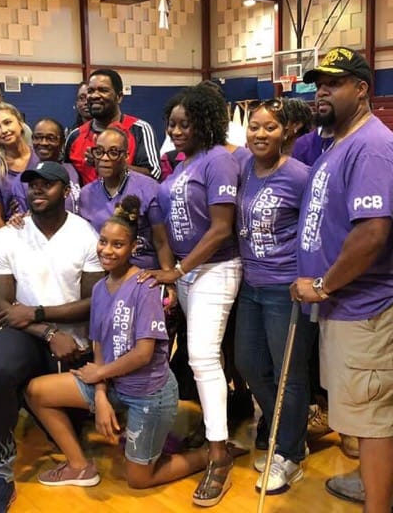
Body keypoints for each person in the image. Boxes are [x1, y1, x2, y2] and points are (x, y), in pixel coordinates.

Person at [289, 47, 393, 513]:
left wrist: (323, 285)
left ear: (362, 90)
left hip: (369, 308)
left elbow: (372, 232)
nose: (321, 92)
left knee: (374, 423)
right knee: (364, 419)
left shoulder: (372, 146)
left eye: (334, 84)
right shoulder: (339, 142)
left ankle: (379, 502)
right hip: (347, 307)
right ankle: (376, 487)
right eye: (319, 84)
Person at [26, 196, 209, 488]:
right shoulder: (100, 289)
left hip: (147, 393)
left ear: (133, 247)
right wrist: (100, 397)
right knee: (37, 392)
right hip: (112, 384)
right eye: (103, 242)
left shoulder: (145, 285)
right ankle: (79, 466)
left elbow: (143, 354)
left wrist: (99, 374)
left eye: (118, 244)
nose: (107, 250)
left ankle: (211, 456)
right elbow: (99, 347)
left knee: (139, 479)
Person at [0, 161, 104, 512]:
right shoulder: (8, 236)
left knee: (68, 429)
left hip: (73, 337)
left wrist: (37, 313)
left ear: (65, 191)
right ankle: (2, 473)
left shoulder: (85, 234)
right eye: (32, 183)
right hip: (27, 333)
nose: (37, 189)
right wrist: (46, 331)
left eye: (47, 184)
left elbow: (93, 302)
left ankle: (40, 407)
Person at [140, 84, 242, 508]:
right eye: (172, 124)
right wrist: (176, 272)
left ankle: (218, 456)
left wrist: (179, 271)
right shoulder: (182, 164)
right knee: (201, 358)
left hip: (215, 268)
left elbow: (220, 229)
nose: (177, 131)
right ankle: (215, 432)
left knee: (202, 357)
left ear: (206, 123)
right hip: (186, 272)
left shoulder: (219, 159)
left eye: (186, 124)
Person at [233, 98, 315, 493]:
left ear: (287, 132)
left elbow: (316, 229)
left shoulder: (300, 175)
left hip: (286, 289)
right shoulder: (243, 168)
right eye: (254, 126)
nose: (260, 134)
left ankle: (290, 454)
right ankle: (289, 433)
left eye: (270, 127)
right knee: (248, 363)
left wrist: (310, 279)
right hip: (251, 285)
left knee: (289, 374)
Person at [78, 127, 173, 271]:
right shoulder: (86, 194)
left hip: (143, 270)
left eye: (113, 152)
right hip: (102, 271)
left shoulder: (148, 188)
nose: (104, 158)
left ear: (126, 156)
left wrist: (168, 276)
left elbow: (161, 242)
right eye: (99, 151)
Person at [65, 68, 161, 184]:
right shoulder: (75, 136)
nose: (94, 95)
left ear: (119, 97)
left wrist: (111, 164)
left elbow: (153, 174)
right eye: (90, 91)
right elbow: (68, 179)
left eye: (103, 90)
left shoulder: (139, 129)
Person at [0, 102, 39, 227]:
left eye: (7, 122)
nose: (4, 130)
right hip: (14, 232)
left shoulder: (41, 157)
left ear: (20, 123)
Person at [32, 117, 81, 213]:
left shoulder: (72, 169)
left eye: (51, 138)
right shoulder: (26, 178)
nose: (44, 143)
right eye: (38, 137)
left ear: (62, 142)